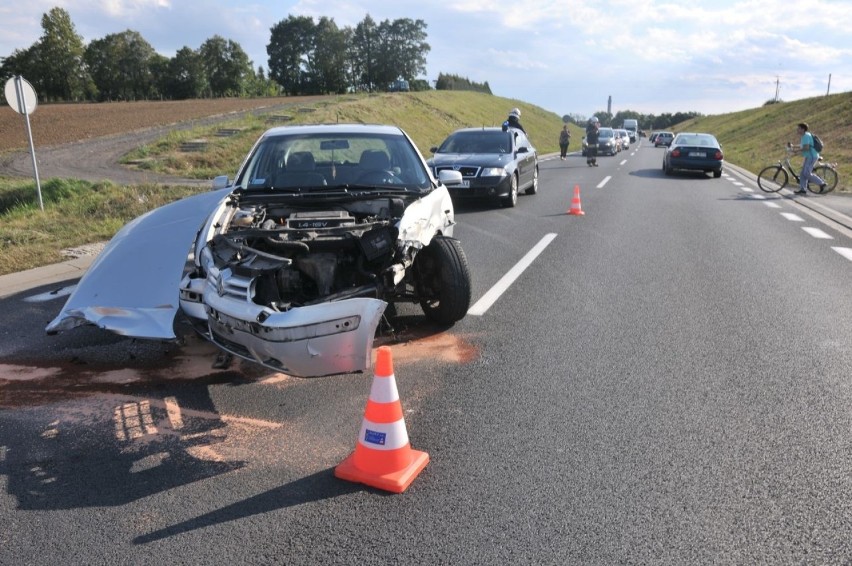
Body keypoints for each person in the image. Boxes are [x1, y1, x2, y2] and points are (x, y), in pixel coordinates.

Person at [789, 122, 826, 195]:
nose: (797, 130)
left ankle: (821, 183)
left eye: (798, 128)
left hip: (812, 156)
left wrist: (795, 151)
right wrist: (794, 146)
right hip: (809, 156)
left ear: (803, 129)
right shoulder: (804, 136)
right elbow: (803, 145)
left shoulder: (806, 136)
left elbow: (806, 148)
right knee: (802, 174)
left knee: (806, 173)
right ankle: (803, 189)